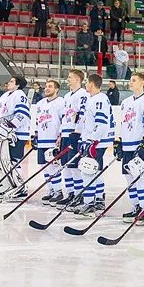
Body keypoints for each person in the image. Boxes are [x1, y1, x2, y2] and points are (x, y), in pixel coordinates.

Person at [116, 72, 144, 223]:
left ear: (142, 83)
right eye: (130, 80)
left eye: (134, 80)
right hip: (127, 146)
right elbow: (123, 124)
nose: (130, 82)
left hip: (142, 145)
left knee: (142, 179)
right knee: (130, 179)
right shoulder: (126, 102)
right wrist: (119, 142)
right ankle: (136, 207)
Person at [75, 74, 114, 214]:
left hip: (97, 142)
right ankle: (98, 200)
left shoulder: (100, 99)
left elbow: (102, 124)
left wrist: (92, 141)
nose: (85, 84)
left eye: (87, 82)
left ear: (91, 84)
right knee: (96, 170)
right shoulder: (95, 99)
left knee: (88, 170)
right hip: (94, 140)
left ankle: (89, 202)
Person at [0, 77, 32, 199]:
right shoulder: (5, 96)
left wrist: (10, 127)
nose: (8, 83)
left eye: (11, 81)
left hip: (17, 134)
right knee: (4, 161)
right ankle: (9, 184)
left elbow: (23, 114)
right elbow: (0, 115)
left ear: (17, 85)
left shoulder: (20, 95)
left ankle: (20, 187)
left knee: (14, 161)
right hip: (5, 134)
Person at [57, 70, 89, 205]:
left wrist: (78, 132)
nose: (68, 79)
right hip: (65, 133)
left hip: (74, 134)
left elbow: (82, 115)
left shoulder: (83, 94)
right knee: (65, 165)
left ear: (78, 79)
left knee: (74, 166)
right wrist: (60, 133)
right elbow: (64, 117)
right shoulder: (67, 96)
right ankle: (69, 193)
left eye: (70, 77)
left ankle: (78, 194)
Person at [33, 80, 67, 203]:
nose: (47, 89)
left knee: (52, 166)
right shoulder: (40, 103)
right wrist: (35, 135)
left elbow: (65, 120)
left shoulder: (61, 102)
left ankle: (58, 191)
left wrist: (61, 136)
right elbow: (38, 121)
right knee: (44, 166)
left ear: (56, 89)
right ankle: (51, 189)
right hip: (42, 138)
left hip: (53, 139)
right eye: (46, 86)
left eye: (50, 86)